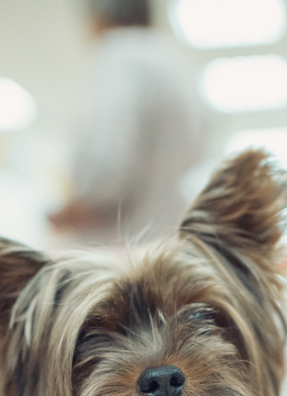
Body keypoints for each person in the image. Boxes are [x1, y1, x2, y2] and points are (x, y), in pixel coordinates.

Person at [48, 0, 207, 247]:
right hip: (169, 239)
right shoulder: (173, 59)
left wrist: (70, 213)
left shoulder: (118, 54)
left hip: (124, 250)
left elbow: (107, 165)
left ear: (99, 18)